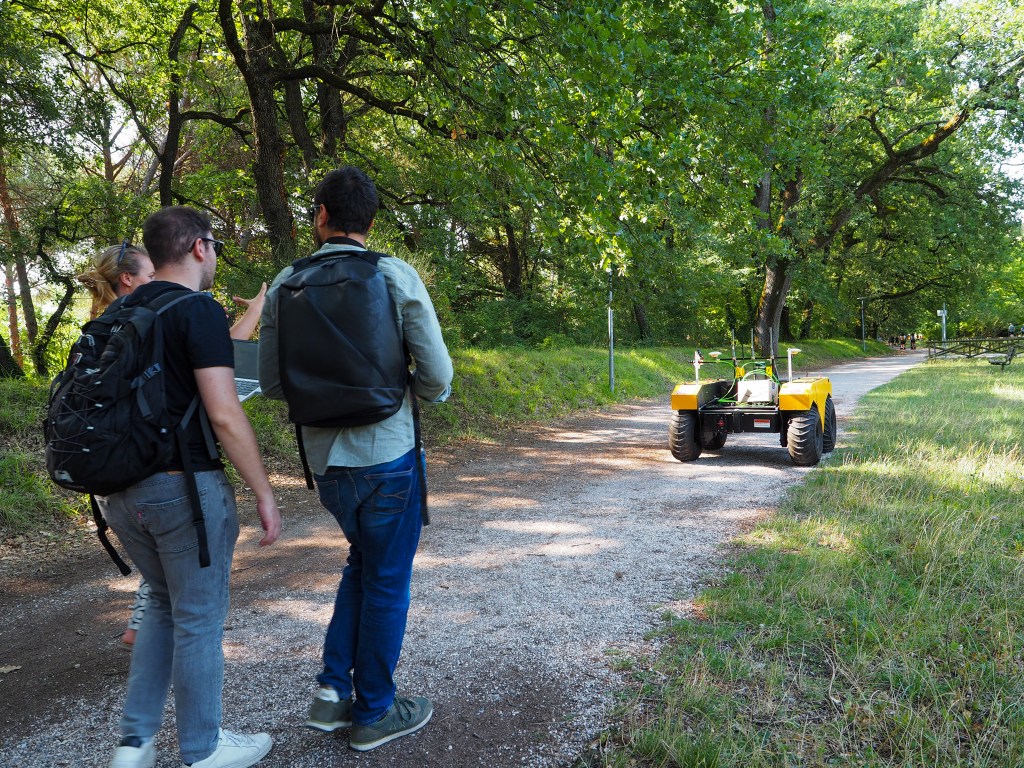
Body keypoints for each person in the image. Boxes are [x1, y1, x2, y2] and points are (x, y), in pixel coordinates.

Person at [258, 166, 453, 752]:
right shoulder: (394, 275)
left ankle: (329, 696)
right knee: (387, 581)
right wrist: (418, 390)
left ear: (319, 216)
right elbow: (437, 375)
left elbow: (270, 385)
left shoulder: (285, 281)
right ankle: (373, 712)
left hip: (327, 467)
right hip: (387, 454)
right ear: (370, 220)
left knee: (361, 567)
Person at [98, 207, 282, 768]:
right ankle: (204, 749)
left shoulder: (121, 311)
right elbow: (224, 414)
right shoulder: (196, 309)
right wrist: (264, 490)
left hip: (119, 494)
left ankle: (134, 746)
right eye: (216, 244)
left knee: (159, 607)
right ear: (200, 247)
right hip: (183, 489)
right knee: (199, 618)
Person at [77, 244, 268, 652]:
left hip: (120, 478)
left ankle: (144, 649)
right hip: (167, 471)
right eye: (149, 275)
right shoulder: (151, 319)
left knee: (165, 591)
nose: (156, 282)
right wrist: (263, 492)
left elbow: (216, 353)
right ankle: (147, 633)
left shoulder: (112, 323)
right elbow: (219, 395)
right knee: (193, 615)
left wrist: (254, 312)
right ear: (127, 279)